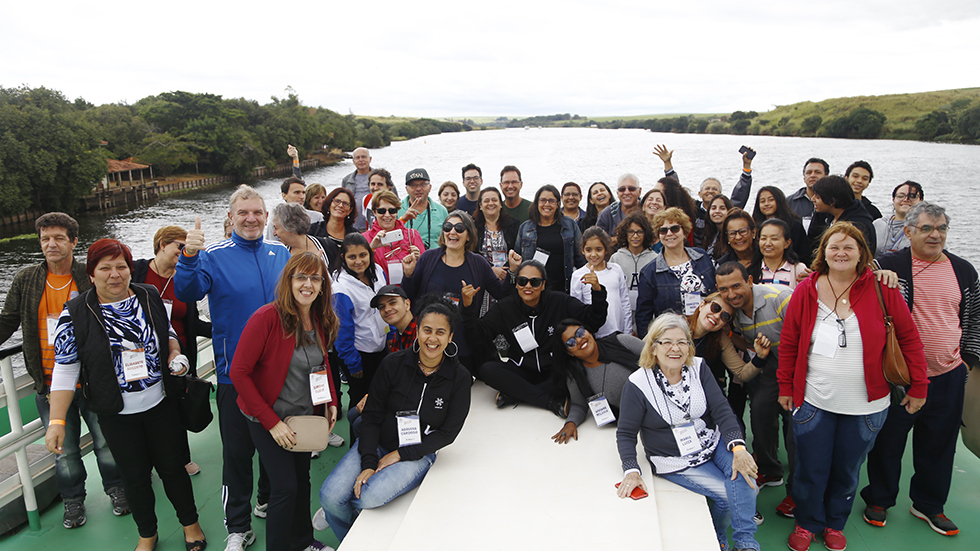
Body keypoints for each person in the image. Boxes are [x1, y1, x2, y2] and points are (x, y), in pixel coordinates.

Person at [45, 239, 206, 551]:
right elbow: (65, 370)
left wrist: (176, 354)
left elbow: (168, 333)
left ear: (130, 270)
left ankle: (191, 524)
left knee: (173, 470)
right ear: (91, 274)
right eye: (105, 268)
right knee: (134, 478)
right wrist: (56, 421)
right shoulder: (75, 314)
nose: (114, 274)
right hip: (115, 414)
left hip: (160, 404)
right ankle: (147, 533)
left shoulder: (149, 295)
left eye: (121, 267)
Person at [777, 222, 928, 551]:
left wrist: (920, 386)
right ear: (824, 253)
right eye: (834, 247)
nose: (841, 253)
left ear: (862, 253)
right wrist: (786, 387)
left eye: (849, 247)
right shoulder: (807, 290)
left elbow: (909, 338)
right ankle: (807, 523)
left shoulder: (882, 289)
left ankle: (834, 522)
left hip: (865, 406)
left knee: (847, 470)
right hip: (815, 400)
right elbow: (789, 342)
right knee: (810, 468)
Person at [175, 184, 290, 551]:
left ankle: (266, 499)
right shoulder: (213, 255)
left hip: (280, 373)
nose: (251, 218)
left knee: (279, 446)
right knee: (238, 456)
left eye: (257, 212)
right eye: (243, 213)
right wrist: (189, 255)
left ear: (267, 216)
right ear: (231, 217)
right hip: (234, 374)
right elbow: (187, 291)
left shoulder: (281, 252)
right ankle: (238, 527)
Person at [0, 213, 127, 529]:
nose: (51, 244)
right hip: (49, 383)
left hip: (93, 381)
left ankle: (117, 490)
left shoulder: (89, 277)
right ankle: (73, 502)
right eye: (45, 239)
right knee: (64, 451)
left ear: (73, 241)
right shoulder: (27, 280)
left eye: (58, 238)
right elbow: (7, 322)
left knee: (106, 442)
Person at [862, 202, 978, 536]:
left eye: (941, 228)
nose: (935, 235)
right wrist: (876, 273)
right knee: (889, 440)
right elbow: (857, 284)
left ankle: (928, 505)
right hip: (901, 375)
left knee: (940, 443)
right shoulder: (889, 265)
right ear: (908, 231)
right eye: (926, 228)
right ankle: (880, 498)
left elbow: (974, 317)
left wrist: (968, 359)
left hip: (948, 373)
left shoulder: (964, 270)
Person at [317, 300, 471, 544]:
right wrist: (369, 461)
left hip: (418, 452)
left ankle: (344, 519)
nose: (432, 339)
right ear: (418, 330)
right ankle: (351, 539)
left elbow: (448, 433)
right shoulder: (393, 364)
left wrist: (401, 453)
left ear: (450, 336)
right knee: (330, 497)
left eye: (440, 332)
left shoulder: (459, 378)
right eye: (427, 330)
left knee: (367, 497)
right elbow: (373, 415)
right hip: (377, 442)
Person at [616, 313, 760, 551]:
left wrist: (739, 447)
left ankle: (746, 543)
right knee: (726, 494)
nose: (676, 348)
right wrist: (631, 469)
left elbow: (722, 410)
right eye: (667, 342)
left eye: (682, 341)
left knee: (747, 477)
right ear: (653, 347)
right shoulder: (637, 384)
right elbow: (626, 433)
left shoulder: (699, 368)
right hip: (675, 459)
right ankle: (719, 539)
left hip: (711, 443)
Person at [230, 252, 340, 551]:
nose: (308, 284)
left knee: (302, 482)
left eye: (315, 278)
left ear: (322, 285)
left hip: (302, 417)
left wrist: (330, 400)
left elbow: (323, 363)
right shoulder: (266, 318)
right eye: (301, 277)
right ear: (289, 280)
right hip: (267, 419)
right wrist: (272, 422)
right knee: (285, 487)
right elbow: (238, 373)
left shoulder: (319, 318)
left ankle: (303, 542)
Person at [463, 260, 607, 416]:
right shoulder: (505, 307)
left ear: (543, 284)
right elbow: (478, 335)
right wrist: (467, 307)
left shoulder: (559, 301)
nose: (528, 286)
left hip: (555, 371)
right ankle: (549, 402)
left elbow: (593, 321)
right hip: (522, 370)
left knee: (575, 374)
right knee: (488, 370)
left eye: (535, 282)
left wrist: (597, 291)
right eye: (522, 281)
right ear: (516, 284)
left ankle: (516, 393)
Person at [715, 261, 798, 519]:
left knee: (796, 425)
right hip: (769, 363)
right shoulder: (732, 310)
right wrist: (729, 335)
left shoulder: (780, 298)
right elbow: (743, 339)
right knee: (760, 411)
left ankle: (797, 492)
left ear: (750, 280)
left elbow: (807, 332)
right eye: (724, 289)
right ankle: (770, 469)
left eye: (736, 286)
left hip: (798, 362)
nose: (731, 294)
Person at [133, 225, 214, 476]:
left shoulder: (185, 276)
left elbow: (194, 323)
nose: (185, 251)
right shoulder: (138, 271)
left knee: (176, 404)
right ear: (161, 245)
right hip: (139, 356)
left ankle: (182, 457)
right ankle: (144, 461)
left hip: (177, 354)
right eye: (180, 246)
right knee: (144, 408)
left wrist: (228, 329)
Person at [401, 211, 509, 375]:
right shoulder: (428, 258)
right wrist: (408, 275)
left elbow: (501, 293)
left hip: (462, 340)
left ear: (468, 235)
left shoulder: (479, 263)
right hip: (430, 338)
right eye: (448, 227)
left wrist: (513, 272)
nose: (452, 232)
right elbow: (409, 295)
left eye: (459, 228)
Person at [331, 233, 389, 441]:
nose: (359, 261)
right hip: (358, 354)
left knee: (380, 397)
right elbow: (341, 331)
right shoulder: (341, 287)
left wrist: (389, 334)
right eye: (352, 257)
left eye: (363, 255)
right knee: (359, 402)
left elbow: (387, 305)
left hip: (380, 348)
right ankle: (356, 447)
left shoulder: (378, 272)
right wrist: (353, 364)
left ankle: (378, 441)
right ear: (343, 257)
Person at [550, 320, 644, 444]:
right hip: (633, 425)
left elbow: (658, 356)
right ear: (569, 352)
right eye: (571, 342)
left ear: (588, 331)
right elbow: (579, 405)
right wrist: (570, 423)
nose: (579, 340)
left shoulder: (620, 341)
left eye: (580, 333)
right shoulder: (575, 374)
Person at [634, 208, 716, 335]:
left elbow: (715, 294)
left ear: (684, 232)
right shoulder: (650, 272)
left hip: (708, 331)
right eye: (663, 230)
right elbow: (643, 316)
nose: (669, 233)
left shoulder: (702, 257)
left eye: (675, 228)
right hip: (673, 337)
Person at [654, 143, 755, 244]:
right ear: (700, 194)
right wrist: (668, 164)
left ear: (720, 194)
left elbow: (740, 196)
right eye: (707, 188)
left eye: (714, 189)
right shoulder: (693, 208)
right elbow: (677, 192)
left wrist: (746, 168)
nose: (710, 191)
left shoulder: (725, 210)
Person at [515, 185, 585, 293]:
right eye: (543, 200)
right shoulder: (525, 228)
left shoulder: (569, 225)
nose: (547, 204)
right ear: (537, 203)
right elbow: (518, 260)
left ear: (558, 204)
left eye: (552, 201)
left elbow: (580, 257)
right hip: (534, 288)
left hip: (563, 287)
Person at [570, 227, 631, 337]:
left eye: (598, 249)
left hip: (619, 332)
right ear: (583, 250)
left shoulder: (616, 269)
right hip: (595, 335)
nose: (593, 254)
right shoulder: (578, 275)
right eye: (589, 250)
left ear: (606, 249)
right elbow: (577, 310)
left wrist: (627, 331)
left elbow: (625, 302)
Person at [364, 190, 426, 285]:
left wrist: (419, 259)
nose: (387, 215)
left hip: (408, 291)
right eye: (381, 211)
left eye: (392, 210)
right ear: (374, 212)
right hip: (379, 292)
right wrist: (371, 248)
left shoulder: (412, 235)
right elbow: (359, 270)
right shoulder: (364, 238)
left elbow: (425, 269)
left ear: (397, 212)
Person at [807, 175, 877, 256]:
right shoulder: (831, 216)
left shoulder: (857, 225)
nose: (812, 199)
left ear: (832, 201)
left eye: (817, 197)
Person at [610, 213, 657, 328]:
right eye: (631, 232)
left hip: (647, 314)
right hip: (623, 311)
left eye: (640, 232)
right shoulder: (616, 258)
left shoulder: (655, 258)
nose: (635, 236)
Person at [266, 145, 322, 242]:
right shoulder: (275, 222)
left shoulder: (317, 218)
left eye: (303, 193)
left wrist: (296, 158)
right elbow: (272, 248)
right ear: (284, 195)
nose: (301, 197)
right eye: (297, 193)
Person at [473, 187, 520, 287]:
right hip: (482, 277)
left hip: (509, 275)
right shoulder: (473, 227)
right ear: (480, 205)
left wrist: (505, 271)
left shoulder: (513, 224)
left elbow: (517, 250)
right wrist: (491, 269)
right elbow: (472, 254)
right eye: (486, 201)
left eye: (494, 200)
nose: (491, 203)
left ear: (500, 204)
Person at [752, 185, 811, 265]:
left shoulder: (794, 225)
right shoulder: (755, 227)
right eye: (762, 201)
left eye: (771, 200)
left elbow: (804, 253)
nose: (766, 204)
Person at [398, 168, 449, 250]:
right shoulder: (396, 209)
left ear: (430, 187)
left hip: (435, 259)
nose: (418, 189)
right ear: (406, 189)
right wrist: (403, 219)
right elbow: (389, 237)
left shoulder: (441, 210)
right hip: (407, 259)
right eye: (413, 185)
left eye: (423, 184)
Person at [751, 219, 808, 289]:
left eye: (774, 239)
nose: (768, 243)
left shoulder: (798, 269)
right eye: (764, 238)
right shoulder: (752, 269)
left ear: (787, 243)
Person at [872, 181, 923, 258]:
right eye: (900, 196)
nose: (906, 199)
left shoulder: (925, 228)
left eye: (912, 196)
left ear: (921, 201)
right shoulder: (877, 224)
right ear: (893, 199)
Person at [309, 188, 360, 265]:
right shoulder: (313, 230)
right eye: (337, 201)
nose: (340, 205)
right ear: (329, 204)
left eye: (345, 203)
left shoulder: (356, 235)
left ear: (350, 210)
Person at [371, 285, 416, 354]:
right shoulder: (396, 337)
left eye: (392, 303)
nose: (387, 309)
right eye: (382, 307)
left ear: (407, 304)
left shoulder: (423, 334)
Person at [786, 157, 829, 228]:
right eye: (809, 173)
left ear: (826, 176)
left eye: (817, 172)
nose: (812, 175)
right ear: (804, 178)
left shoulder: (833, 201)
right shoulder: (789, 202)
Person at [341, 147, 373, 230]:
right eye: (357, 158)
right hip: (353, 227)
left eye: (364, 157)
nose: (361, 160)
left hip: (374, 227)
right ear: (353, 161)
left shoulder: (380, 177)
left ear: (370, 159)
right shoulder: (346, 180)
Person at [703, 194, 734, 259]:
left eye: (722, 208)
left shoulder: (732, 236)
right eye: (713, 208)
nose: (717, 211)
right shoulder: (710, 234)